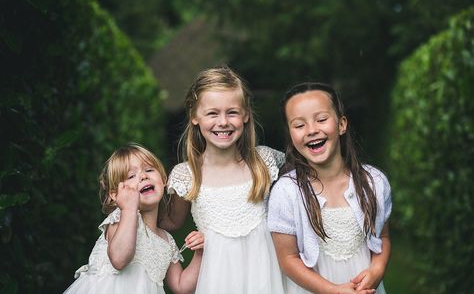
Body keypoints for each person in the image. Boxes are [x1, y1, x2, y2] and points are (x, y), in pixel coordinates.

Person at [160, 66, 285, 294]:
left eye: (232, 112)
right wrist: (134, 208)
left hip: (266, 275)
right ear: (194, 117)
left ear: (246, 114)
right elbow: (169, 223)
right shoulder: (186, 175)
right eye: (212, 113)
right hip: (217, 279)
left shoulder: (265, 162)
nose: (223, 122)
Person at [268, 82, 391, 294]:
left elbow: (383, 238)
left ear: (342, 124)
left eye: (321, 119)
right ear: (290, 134)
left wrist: (377, 270)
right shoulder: (287, 192)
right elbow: (288, 259)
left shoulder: (374, 182)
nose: (312, 130)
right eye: (299, 125)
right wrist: (333, 290)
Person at [64, 143, 204, 294]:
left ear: (164, 180)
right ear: (115, 195)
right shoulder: (119, 219)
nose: (143, 176)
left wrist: (200, 253)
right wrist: (129, 208)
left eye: (149, 170)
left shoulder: (166, 241)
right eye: (131, 176)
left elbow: (181, 286)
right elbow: (119, 259)